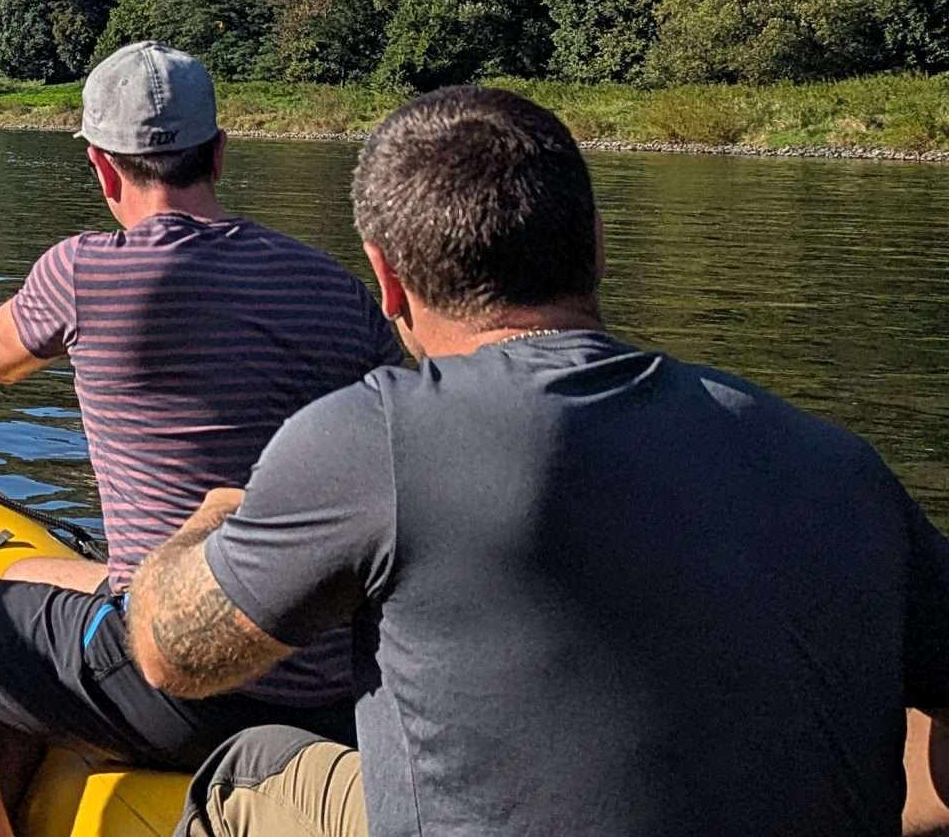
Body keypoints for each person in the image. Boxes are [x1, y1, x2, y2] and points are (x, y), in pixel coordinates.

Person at [125, 85, 949, 837]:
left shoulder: (377, 434)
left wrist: (208, 522)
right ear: (595, 248)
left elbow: (172, 654)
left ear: (386, 279)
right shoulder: (841, 464)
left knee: (248, 768)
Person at [0, 42, 404, 837]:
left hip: (179, 682)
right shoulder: (337, 291)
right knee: (30, 567)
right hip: (329, 683)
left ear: (103, 170)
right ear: (219, 153)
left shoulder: (80, 272)